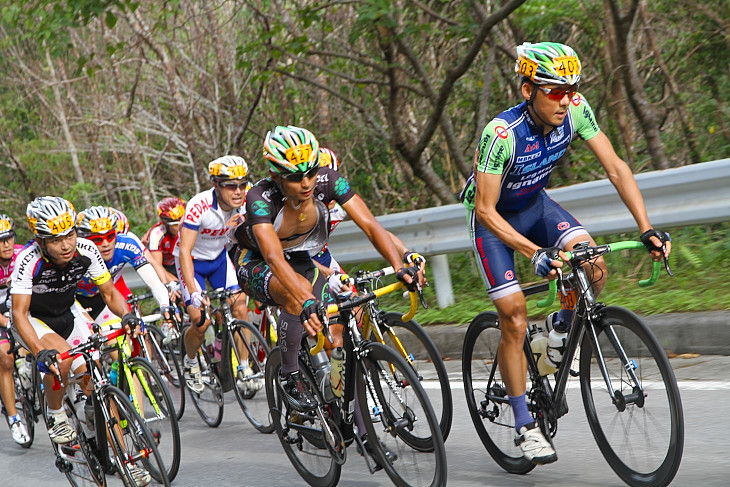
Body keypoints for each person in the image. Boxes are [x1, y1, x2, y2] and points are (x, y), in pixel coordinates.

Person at [460, 41, 672, 466]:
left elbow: (615, 167)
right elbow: (483, 209)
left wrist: (646, 228)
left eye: (572, 89)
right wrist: (534, 253)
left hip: (536, 206)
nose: (566, 100)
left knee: (592, 266)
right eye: (554, 91)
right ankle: (523, 424)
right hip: (495, 225)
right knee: (514, 316)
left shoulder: (575, 110)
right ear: (527, 91)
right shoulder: (501, 133)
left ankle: (558, 335)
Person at [234, 125, 425, 464]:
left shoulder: (327, 181)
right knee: (298, 297)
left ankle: (362, 433)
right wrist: (306, 300)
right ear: (276, 175)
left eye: (310, 171)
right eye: (295, 177)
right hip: (259, 263)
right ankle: (289, 371)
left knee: (341, 339)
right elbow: (275, 258)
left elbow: (370, 225)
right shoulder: (260, 198)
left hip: (303, 257)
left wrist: (400, 264)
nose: (306, 182)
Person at [9, 198, 140, 448]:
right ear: (41, 241)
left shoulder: (87, 249)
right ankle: (56, 413)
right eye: (56, 240)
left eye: (70, 235)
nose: (66, 245)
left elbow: (110, 293)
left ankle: (123, 458)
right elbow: (19, 312)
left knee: (95, 375)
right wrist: (39, 351)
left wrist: (126, 315)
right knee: (61, 358)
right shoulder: (28, 259)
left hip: (68, 312)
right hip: (34, 319)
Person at [174, 155, 250, 394]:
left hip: (219, 259)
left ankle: (245, 368)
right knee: (201, 321)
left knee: (240, 306)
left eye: (242, 184)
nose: (238, 191)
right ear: (216, 185)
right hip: (192, 262)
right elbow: (184, 250)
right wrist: (194, 291)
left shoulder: (246, 202)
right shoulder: (199, 205)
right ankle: (190, 360)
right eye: (231, 185)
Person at [75, 206, 175, 335]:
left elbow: (154, 282)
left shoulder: (127, 243)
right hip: (75, 300)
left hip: (104, 296)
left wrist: (164, 305)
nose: (105, 243)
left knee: (133, 333)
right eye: (97, 240)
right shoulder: (75, 254)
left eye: (110, 236)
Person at [0, 214, 31, 446]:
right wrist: (8, 323)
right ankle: (13, 417)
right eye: (0, 240)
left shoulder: (22, 254)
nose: (6, 244)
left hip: (19, 306)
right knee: (5, 359)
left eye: (9, 238)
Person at [142, 197, 186, 284]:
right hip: (163, 267)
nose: (181, 227)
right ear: (165, 223)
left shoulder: (188, 228)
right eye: (175, 225)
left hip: (180, 262)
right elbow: (157, 267)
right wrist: (175, 283)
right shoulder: (157, 234)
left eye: (183, 221)